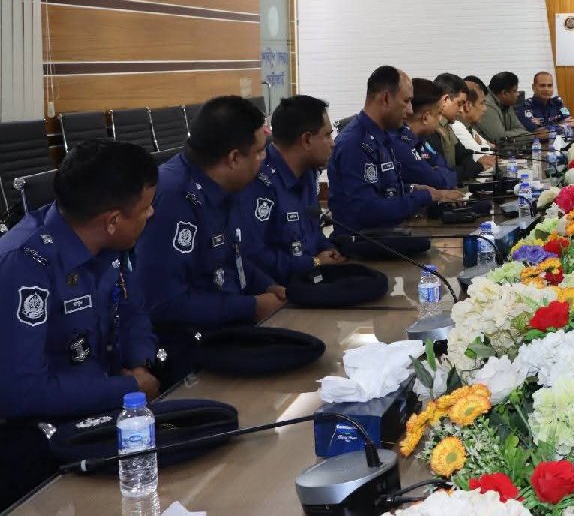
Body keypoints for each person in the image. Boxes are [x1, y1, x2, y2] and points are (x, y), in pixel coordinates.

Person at [0, 140, 161, 508]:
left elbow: (133, 309)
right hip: (39, 437)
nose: (152, 214)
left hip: (107, 406)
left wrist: (140, 364)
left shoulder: (109, 244)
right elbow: (20, 392)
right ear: (112, 221)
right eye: (145, 208)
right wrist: (126, 389)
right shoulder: (24, 266)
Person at [133, 96, 285, 379]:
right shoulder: (173, 199)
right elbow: (164, 302)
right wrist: (252, 306)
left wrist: (267, 286)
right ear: (234, 158)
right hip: (188, 351)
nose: (265, 159)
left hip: (228, 330)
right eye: (259, 152)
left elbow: (230, 257)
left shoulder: (222, 186)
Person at [327, 66, 463, 236]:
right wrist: (424, 196)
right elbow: (367, 210)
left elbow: (384, 191)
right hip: (365, 241)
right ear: (386, 99)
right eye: (406, 101)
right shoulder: (354, 143)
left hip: (387, 233)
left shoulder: (383, 136)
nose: (410, 110)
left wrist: (414, 189)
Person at [239, 95, 345, 286]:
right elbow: (254, 257)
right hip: (278, 292)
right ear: (306, 140)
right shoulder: (258, 182)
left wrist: (327, 248)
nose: (333, 143)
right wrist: (314, 262)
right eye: (327, 135)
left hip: (311, 279)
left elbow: (312, 231)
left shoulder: (307, 172)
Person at [395, 78, 461, 191]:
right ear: (425, 118)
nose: (440, 119)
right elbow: (437, 181)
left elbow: (448, 169)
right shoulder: (400, 143)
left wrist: (438, 172)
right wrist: (437, 173)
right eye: (439, 113)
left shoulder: (421, 139)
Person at [431, 72, 492, 179]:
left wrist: (472, 167)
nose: (461, 110)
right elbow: (443, 170)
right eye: (459, 104)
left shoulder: (447, 126)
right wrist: (477, 167)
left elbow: (464, 155)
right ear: (445, 100)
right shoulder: (431, 129)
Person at [516, 71, 574, 138]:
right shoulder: (526, 107)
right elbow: (540, 134)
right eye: (542, 86)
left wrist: (549, 130)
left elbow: (572, 125)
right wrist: (561, 125)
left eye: (549, 86)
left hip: (561, 143)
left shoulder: (558, 103)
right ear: (533, 87)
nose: (546, 89)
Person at [477, 71, 527, 144]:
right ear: (505, 93)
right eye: (515, 91)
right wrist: (531, 136)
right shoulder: (486, 104)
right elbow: (499, 138)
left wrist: (506, 134)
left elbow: (521, 129)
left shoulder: (506, 102)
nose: (518, 94)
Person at [452, 78, 496, 162]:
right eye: (482, 103)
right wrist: (481, 147)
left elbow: (493, 149)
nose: (485, 109)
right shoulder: (456, 126)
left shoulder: (469, 127)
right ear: (468, 105)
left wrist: (481, 146)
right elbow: (483, 159)